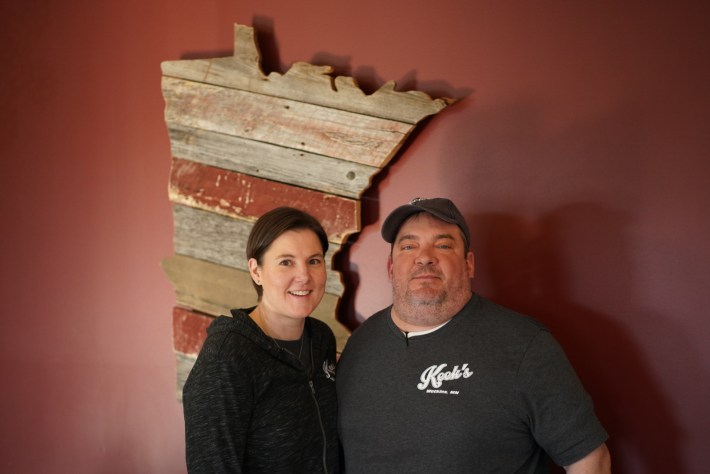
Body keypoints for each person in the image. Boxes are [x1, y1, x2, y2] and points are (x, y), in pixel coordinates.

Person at [337, 197, 611, 473]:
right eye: (409, 246)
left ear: (469, 265)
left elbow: (590, 461)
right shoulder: (361, 343)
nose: (424, 257)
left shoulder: (524, 346)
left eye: (443, 245)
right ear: (391, 268)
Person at [182, 207, 340, 473]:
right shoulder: (227, 356)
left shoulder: (321, 339)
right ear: (256, 271)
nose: (304, 276)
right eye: (286, 262)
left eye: (314, 261)